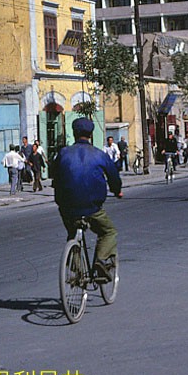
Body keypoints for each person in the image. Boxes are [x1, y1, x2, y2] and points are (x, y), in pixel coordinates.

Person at [53, 118, 122, 283]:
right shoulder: (99, 154)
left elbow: (54, 175)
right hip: (93, 208)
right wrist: (117, 191)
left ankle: (77, 271)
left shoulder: (63, 153)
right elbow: (114, 178)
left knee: (72, 233)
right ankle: (101, 260)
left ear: (74, 133)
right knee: (108, 232)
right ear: (91, 134)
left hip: (67, 207)